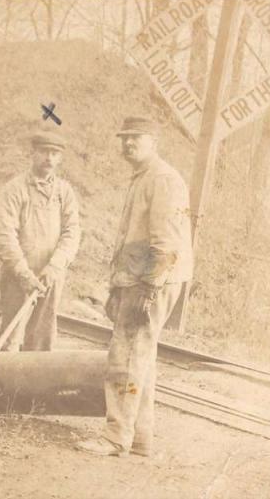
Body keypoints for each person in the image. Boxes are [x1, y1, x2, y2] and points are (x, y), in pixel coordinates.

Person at [76, 116, 193, 457]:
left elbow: (166, 242)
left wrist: (149, 287)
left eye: (136, 138)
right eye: (124, 138)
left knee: (125, 356)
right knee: (141, 357)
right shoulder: (146, 177)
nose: (128, 143)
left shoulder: (162, 179)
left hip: (150, 280)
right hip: (140, 278)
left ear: (153, 141)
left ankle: (115, 437)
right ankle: (140, 437)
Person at [0, 131, 81, 351]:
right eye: (43, 152)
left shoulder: (64, 192)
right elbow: (4, 235)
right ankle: (4, 384)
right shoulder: (15, 189)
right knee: (10, 340)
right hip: (18, 276)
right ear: (32, 153)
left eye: (54, 153)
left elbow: (72, 232)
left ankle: (35, 387)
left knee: (42, 341)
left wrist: (55, 265)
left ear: (60, 158)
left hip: (50, 276)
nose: (48, 158)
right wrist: (23, 274)